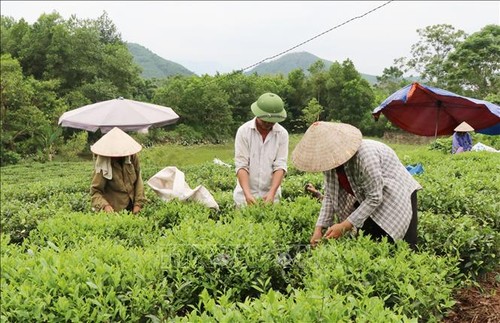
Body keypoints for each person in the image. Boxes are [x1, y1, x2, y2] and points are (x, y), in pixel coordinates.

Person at [292, 121, 422, 250]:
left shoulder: (365, 157)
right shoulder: (329, 164)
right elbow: (330, 196)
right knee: (370, 242)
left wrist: (345, 225)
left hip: (397, 194)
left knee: (404, 245)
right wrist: (319, 229)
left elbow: (374, 197)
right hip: (367, 196)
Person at [233, 92, 289, 207]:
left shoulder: (282, 134)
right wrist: (247, 194)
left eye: (272, 121)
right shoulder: (243, 131)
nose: (268, 124)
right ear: (257, 114)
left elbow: (280, 165)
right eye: (264, 120)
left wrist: (272, 193)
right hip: (244, 196)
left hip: (272, 197)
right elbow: (241, 165)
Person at [90, 127, 146, 214]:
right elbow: (95, 192)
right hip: (115, 211)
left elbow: (139, 179)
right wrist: (105, 206)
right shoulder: (103, 162)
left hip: (133, 207)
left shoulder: (131, 156)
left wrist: (138, 204)